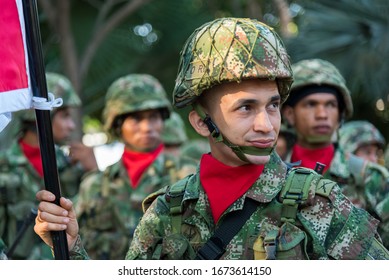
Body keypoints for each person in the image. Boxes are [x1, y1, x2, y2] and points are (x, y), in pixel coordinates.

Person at [34, 17, 389, 260]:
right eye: (246, 108)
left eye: (273, 105)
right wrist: (71, 248)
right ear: (202, 124)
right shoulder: (166, 211)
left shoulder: (319, 204)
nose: (267, 125)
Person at [73, 74, 197, 259]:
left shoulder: (190, 176)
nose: (147, 127)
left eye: (154, 117)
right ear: (117, 124)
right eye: (136, 119)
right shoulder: (93, 186)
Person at [281, 58, 389, 249]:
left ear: (340, 114)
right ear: (290, 114)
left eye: (330, 104)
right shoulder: (270, 173)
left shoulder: (370, 177)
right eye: (310, 104)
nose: (322, 114)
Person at [0, 72, 96, 259]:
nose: (71, 126)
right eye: (64, 116)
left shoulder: (71, 166)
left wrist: (93, 171)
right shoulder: (3, 166)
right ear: (39, 114)